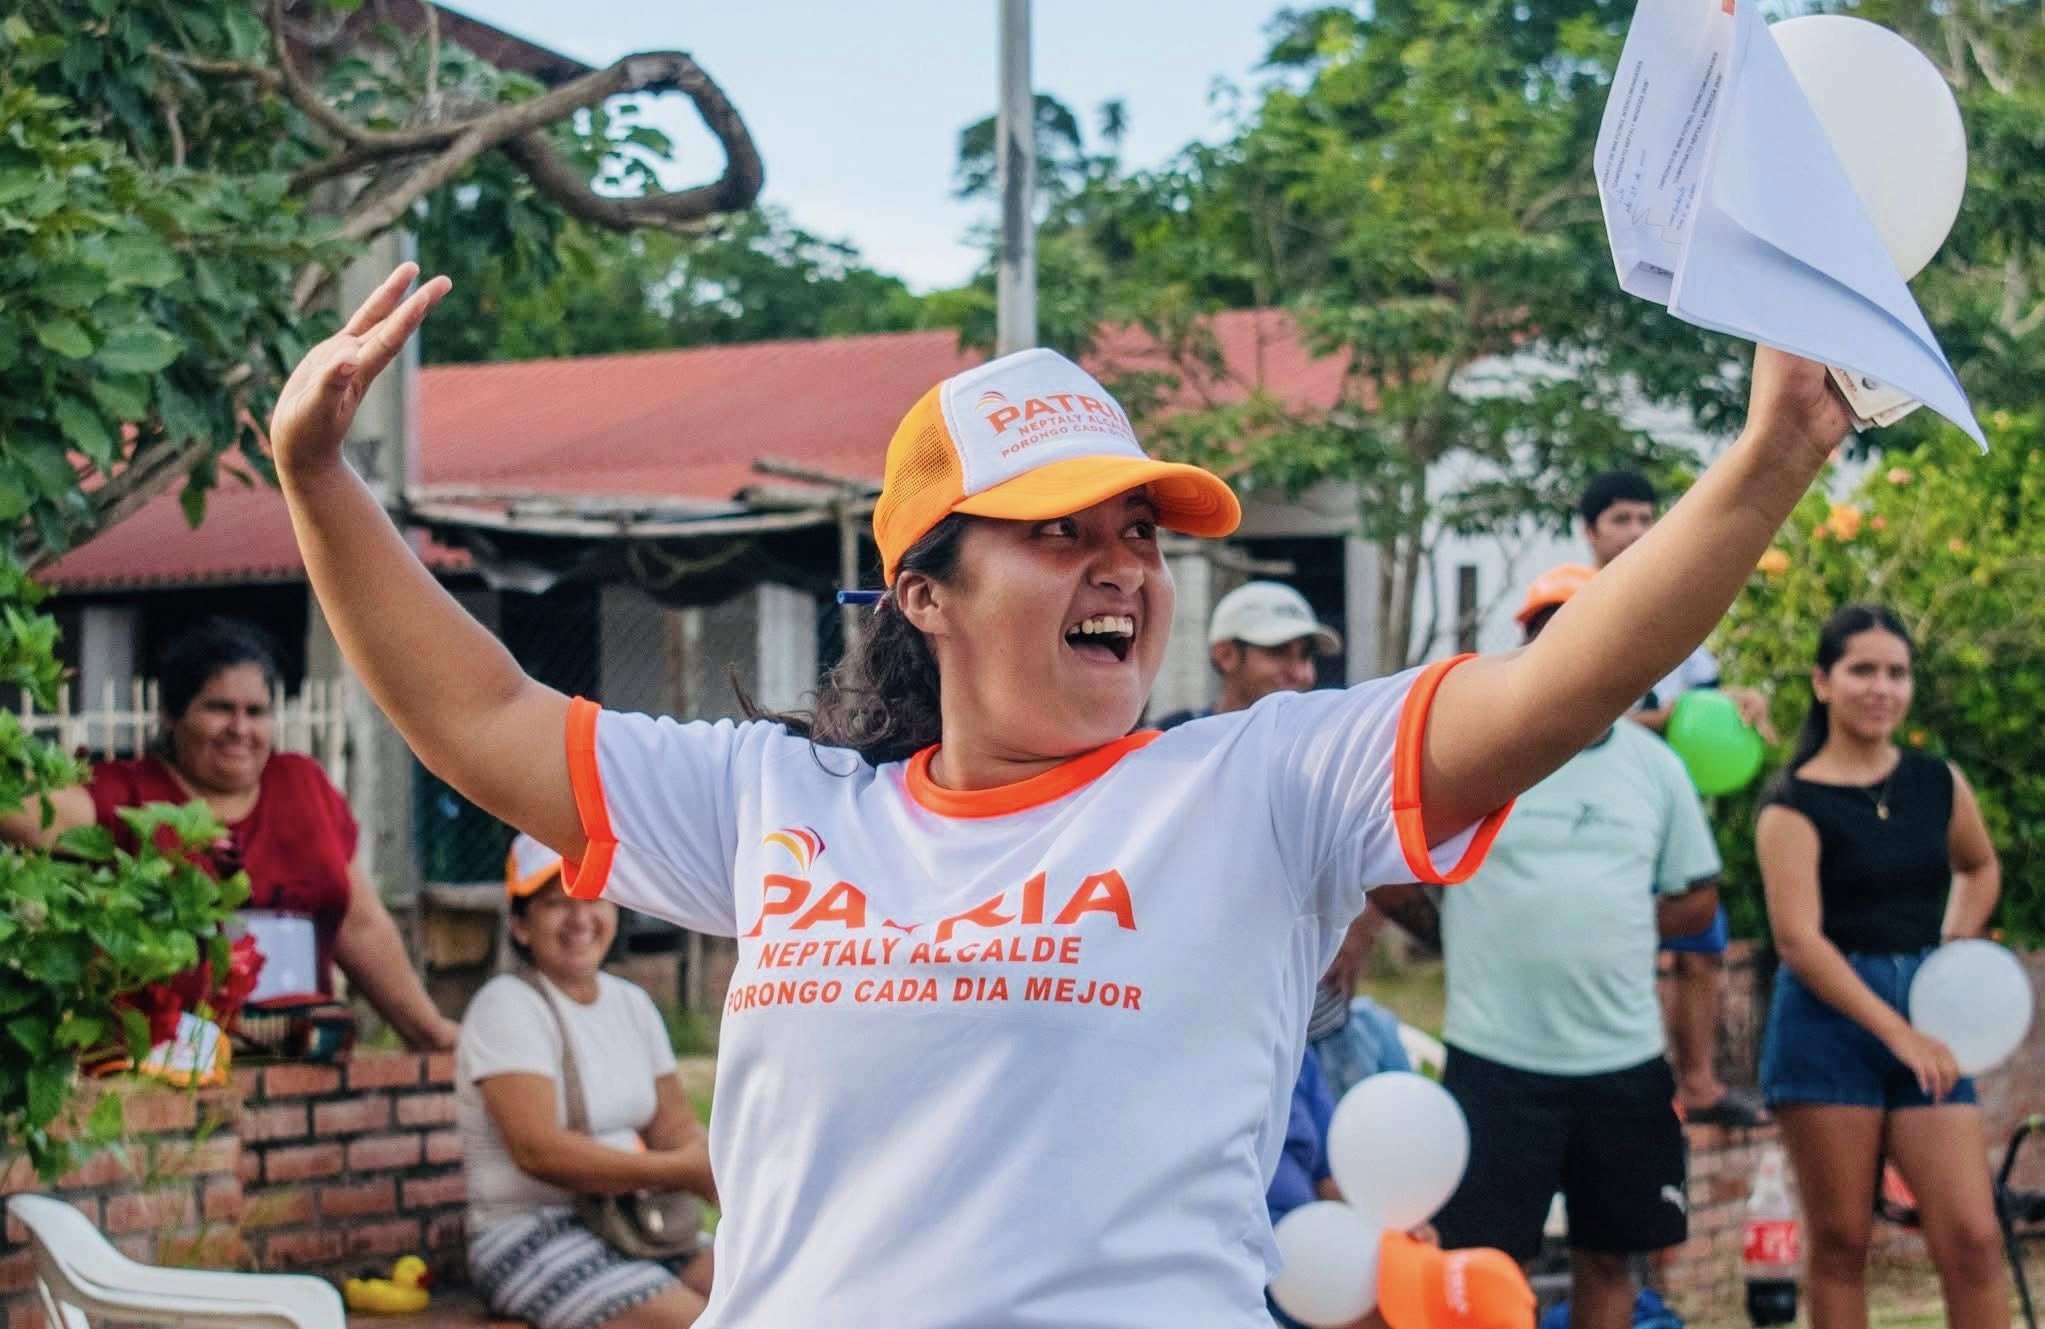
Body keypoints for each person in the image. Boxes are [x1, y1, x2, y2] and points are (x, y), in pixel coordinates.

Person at [266, 262, 1848, 1328]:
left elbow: (1553, 686)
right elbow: (484, 714)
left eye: (1138, 532)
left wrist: (1773, 450)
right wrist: (321, 483)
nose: (1122, 567)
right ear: (923, 593)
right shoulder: (781, 801)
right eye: (1058, 532)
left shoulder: (1252, 786)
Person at [1407, 565, 1724, 1329]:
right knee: (1483, 1268)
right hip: (1495, 1056)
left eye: (1585, 627)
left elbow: (1696, 894)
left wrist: (1613, 921)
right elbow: (1392, 866)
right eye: (1547, 630)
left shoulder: (1654, 767)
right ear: (1523, 645)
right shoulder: (1477, 753)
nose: (1570, 647)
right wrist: (1452, 927)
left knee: (1611, 1260)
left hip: (1622, 1058)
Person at [0, 617, 455, 1051]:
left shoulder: (303, 787)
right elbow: (26, 813)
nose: (239, 729)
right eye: (218, 708)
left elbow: (360, 925)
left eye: (256, 712)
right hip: (168, 1070)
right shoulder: (131, 796)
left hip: (301, 1062)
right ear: (171, 716)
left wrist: (430, 1033)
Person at [1755, 604, 2005, 1329]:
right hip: (1826, 1024)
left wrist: (1948, 953)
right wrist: (1898, 1031)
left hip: (1926, 1020)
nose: (1881, 687)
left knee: (1973, 1236)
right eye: (1861, 670)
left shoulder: (1937, 782)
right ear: (1822, 682)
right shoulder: (1791, 803)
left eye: (1896, 673)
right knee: (1841, 1243)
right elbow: (1798, 941)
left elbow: (1979, 866)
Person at [458, 834, 716, 1329]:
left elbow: (673, 1125)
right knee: (698, 1322)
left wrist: (701, 1156)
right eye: (556, 903)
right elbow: (538, 1151)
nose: (580, 919)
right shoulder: (507, 1004)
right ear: (520, 924)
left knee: (767, 1289)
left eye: (593, 897)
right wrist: (679, 1171)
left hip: (634, 1220)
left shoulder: (632, 1004)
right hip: (531, 1233)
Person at [1581, 468, 1768, 1127]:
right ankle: (1615, 1080)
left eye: (1645, 517)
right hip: (1594, 805)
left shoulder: (1680, 609)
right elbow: (1565, 715)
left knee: (1700, 939)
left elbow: (1704, 706)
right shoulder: (1566, 609)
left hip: (1666, 804)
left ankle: (1698, 1085)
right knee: (1606, 943)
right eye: (1620, 519)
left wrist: (1739, 703)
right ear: (1589, 531)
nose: (1636, 531)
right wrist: (1663, 720)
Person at [1155, 580, 1386, 1096]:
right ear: (1225, 655)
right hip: (1199, 1030)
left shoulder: (1327, 761)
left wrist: (1362, 924)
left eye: (1306, 656)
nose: (1300, 673)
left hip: (1314, 1030)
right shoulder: (1171, 746)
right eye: (1278, 652)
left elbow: (1385, 846)